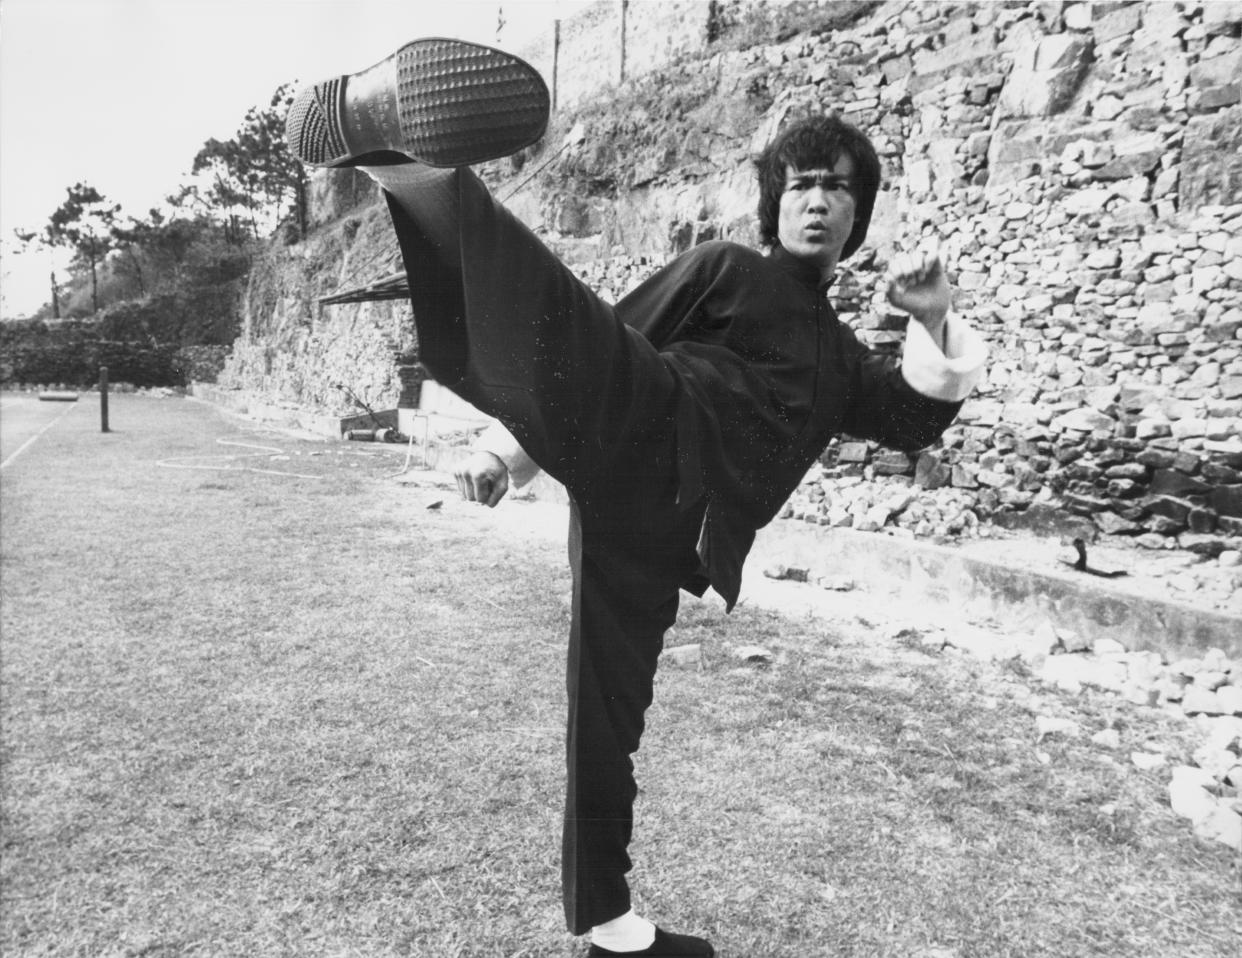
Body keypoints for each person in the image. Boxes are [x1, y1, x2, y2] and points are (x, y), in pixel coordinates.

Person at [287, 37, 986, 958]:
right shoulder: (729, 268)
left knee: (607, 713)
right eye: (803, 183)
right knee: (565, 320)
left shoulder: (847, 360)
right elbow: (613, 333)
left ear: (859, 215)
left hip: (669, 532)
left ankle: (610, 925)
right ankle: (410, 169)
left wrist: (933, 319)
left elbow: (911, 420)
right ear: (777, 201)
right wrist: (506, 453)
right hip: (650, 420)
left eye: (842, 188)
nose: (820, 200)